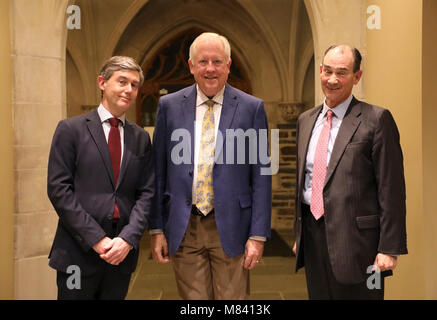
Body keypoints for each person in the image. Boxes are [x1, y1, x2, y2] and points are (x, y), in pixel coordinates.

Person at [150, 32, 272, 300]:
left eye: (217, 61)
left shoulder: (252, 108)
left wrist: (258, 234)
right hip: (184, 225)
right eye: (202, 61)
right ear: (191, 66)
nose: (210, 69)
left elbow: (262, 176)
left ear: (228, 66)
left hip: (231, 225)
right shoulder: (168, 106)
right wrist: (157, 228)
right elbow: (158, 171)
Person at [292, 45, 407, 299]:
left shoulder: (376, 120)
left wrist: (389, 248)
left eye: (342, 73)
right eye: (328, 71)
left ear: (357, 76)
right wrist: (299, 233)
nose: (333, 79)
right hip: (313, 236)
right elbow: (303, 181)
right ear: (320, 71)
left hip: (361, 247)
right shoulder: (305, 120)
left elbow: (392, 189)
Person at [47, 56, 154, 299]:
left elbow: (147, 193)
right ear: (102, 83)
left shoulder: (140, 138)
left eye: (134, 85)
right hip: (78, 252)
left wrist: (128, 239)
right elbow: (58, 190)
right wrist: (97, 239)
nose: (128, 90)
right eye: (122, 82)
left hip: (121, 255)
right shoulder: (70, 130)